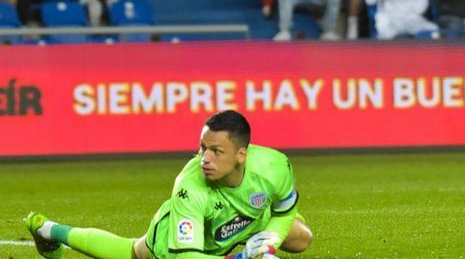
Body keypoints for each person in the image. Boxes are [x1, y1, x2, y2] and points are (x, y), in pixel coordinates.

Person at [25, 110, 312, 259]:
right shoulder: (190, 187)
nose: (205, 159)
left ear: (241, 154)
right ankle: (49, 230)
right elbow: (188, 256)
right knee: (134, 252)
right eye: (202, 148)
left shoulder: (274, 166)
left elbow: (284, 211)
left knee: (300, 238)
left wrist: (269, 242)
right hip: (183, 243)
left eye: (216, 151)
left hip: (242, 220)